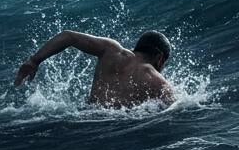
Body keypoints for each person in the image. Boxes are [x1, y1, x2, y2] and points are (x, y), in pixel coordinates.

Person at [14, 30, 175, 108]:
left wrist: (34, 60)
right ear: (160, 58)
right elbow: (174, 109)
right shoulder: (159, 82)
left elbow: (68, 36)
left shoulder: (112, 50)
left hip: (86, 115)